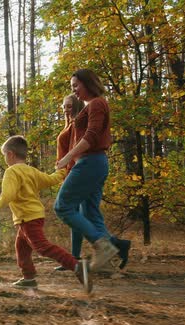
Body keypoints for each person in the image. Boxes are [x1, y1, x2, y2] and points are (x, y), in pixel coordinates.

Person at [0, 135, 92, 293]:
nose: (5, 158)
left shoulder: (11, 172)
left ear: (10, 154)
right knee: (21, 246)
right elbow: (50, 179)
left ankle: (77, 266)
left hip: (27, 217)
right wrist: (62, 170)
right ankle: (29, 279)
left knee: (42, 247)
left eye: (4, 154)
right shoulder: (31, 171)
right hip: (34, 216)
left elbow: (8, 195)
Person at [54, 69, 130, 272]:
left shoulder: (97, 103)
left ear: (88, 83)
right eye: (72, 88)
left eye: (76, 86)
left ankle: (103, 247)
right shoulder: (91, 105)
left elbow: (92, 135)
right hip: (92, 163)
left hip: (89, 162)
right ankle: (107, 262)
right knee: (90, 213)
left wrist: (68, 157)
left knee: (62, 207)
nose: (74, 90)